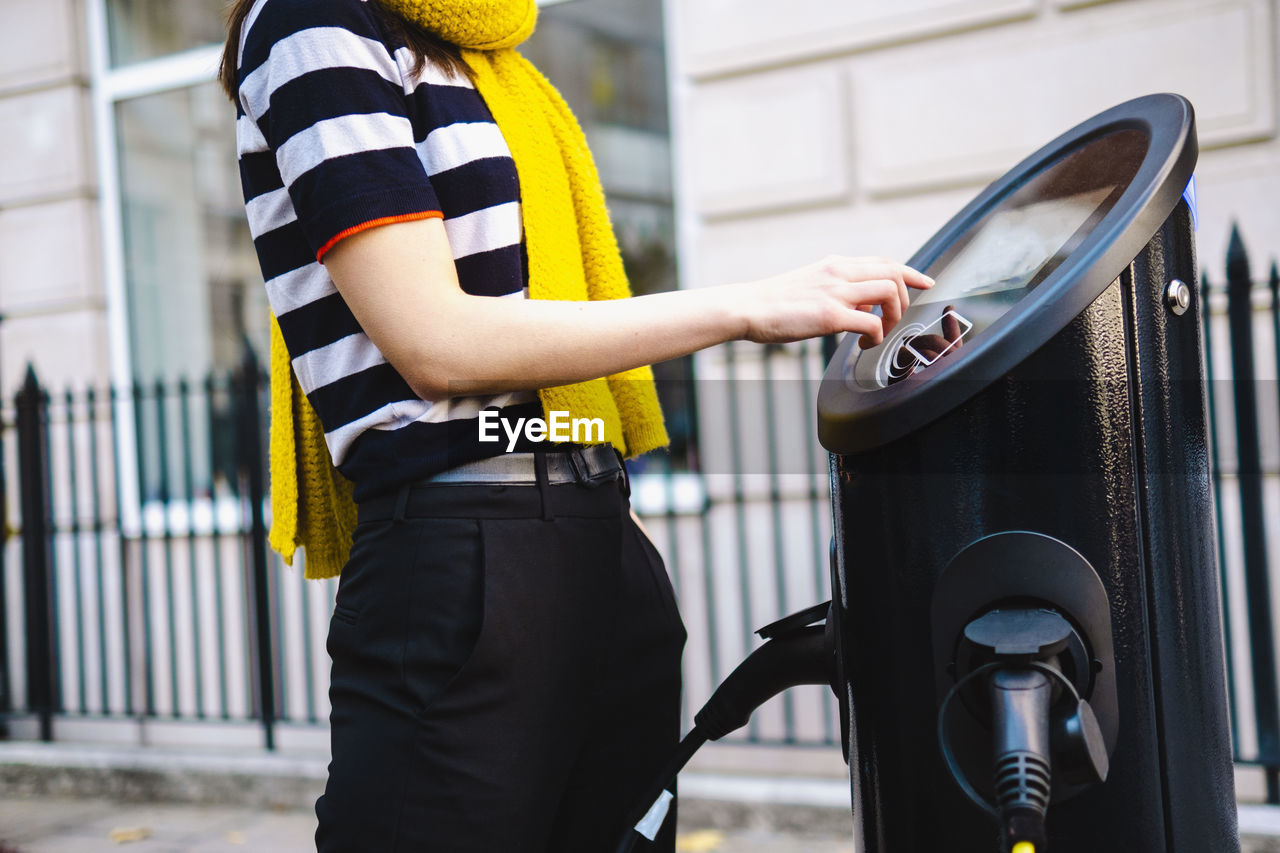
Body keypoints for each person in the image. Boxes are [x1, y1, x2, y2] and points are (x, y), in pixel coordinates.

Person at [219, 0, 932, 850]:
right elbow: (435, 342)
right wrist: (745, 306)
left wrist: (616, 531)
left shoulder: (488, 55)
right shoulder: (314, 20)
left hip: (596, 538)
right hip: (463, 557)